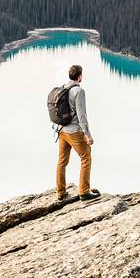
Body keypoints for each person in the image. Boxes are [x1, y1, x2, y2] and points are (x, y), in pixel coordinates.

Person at [54, 63, 100, 202]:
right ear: (79, 77)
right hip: (74, 131)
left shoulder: (63, 88)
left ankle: (61, 193)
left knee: (62, 161)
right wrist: (87, 134)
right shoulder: (79, 91)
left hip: (61, 130)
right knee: (86, 157)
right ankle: (84, 192)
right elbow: (82, 115)